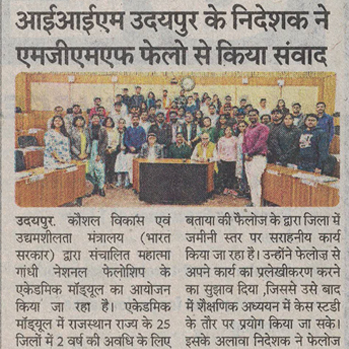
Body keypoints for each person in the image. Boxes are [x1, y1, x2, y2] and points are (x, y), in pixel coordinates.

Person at [242, 109, 269, 207]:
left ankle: (257, 204)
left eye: (254, 115)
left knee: (256, 181)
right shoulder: (248, 128)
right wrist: (245, 153)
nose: (252, 117)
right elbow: (244, 142)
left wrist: (250, 153)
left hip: (258, 157)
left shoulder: (263, 128)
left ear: (258, 116)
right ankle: (254, 201)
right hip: (248, 158)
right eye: (250, 115)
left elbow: (261, 143)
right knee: (250, 181)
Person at [86, 114, 108, 196]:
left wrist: (100, 154)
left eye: (97, 118)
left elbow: (105, 142)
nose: (95, 120)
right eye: (94, 118)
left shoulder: (103, 129)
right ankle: (94, 187)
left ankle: (101, 188)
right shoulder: (87, 129)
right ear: (91, 120)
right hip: (90, 151)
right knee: (91, 170)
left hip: (99, 151)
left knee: (100, 170)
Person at [124, 114, 146, 188]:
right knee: (130, 167)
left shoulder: (141, 129)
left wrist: (136, 148)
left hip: (138, 151)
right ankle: (131, 183)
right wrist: (130, 146)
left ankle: (138, 183)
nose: (135, 121)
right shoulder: (128, 129)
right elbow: (126, 140)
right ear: (131, 120)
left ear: (139, 120)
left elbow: (143, 140)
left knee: (138, 168)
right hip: (129, 152)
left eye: (137, 119)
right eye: (134, 119)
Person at [217, 126, 238, 195]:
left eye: (230, 130)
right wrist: (219, 158)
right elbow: (219, 149)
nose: (228, 131)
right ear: (224, 131)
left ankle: (231, 189)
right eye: (227, 130)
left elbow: (237, 149)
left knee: (232, 175)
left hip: (233, 159)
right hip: (224, 159)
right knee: (224, 175)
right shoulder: (221, 139)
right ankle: (225, 188)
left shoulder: (235, 139)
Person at [103, 117, 119, 189]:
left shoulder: (115, 131)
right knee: (104, 167)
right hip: (104, 150)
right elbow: (101, 141)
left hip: (112, 150)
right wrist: (105, 149)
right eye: (107, 121)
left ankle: (111, 182)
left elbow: (116, 141)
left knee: (111, 167)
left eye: (110, 121)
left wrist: (112, 149)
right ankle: (104, 182)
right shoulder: (102, 130)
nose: (108, 122)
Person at [235, 121, 250, 198]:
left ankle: (247, 192)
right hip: (239, 156)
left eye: (243, 126)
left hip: (246, 156)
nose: (241, 128)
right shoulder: (239, 135)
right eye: (240, 126)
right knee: (240, 174)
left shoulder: (248, 135)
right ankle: (242, 190)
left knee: (246, 174)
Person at [114, 118, 128, 187]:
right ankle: (118, 181)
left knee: (126, 167)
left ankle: (126, 181)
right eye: (120, 123)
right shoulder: (115, 131)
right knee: (118, 167)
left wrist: (126, 147)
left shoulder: (127, 131)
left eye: (123, 123)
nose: (121, 124)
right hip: (118, 151)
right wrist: (118, 147)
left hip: (125, 151)